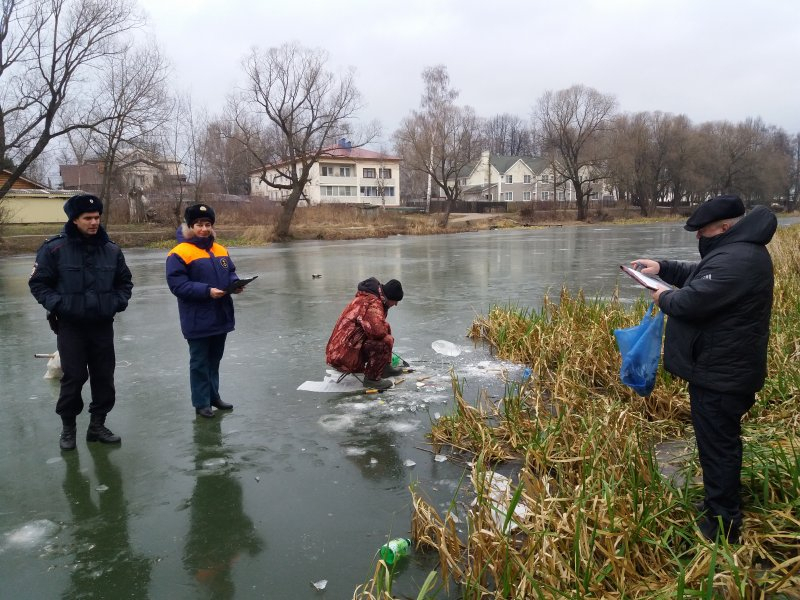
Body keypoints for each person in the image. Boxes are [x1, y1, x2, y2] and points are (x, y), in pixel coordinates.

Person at [632, 194, 777, 543]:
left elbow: (690, 300)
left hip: (722, 376)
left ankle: (722, 525)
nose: (698, 237)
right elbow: (698, 274)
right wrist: (661, 269)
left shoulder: (737, 259)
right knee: (718, 443)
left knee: (718, 447)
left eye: (703, 230)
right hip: (722, 370)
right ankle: (719, 506)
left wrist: (662, 297)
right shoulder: (737, 250)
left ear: (725, 227)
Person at [29, 193, 133, 450]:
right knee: (73, 377)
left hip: (101, 324)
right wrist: (59, 305)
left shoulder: (111, 250)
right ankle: (68, 429)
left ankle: (97, 426)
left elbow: (125, 283)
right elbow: (38, 283)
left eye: (97, 217)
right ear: (74, 219)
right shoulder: (54, 249)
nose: (94, 222)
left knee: (104, 377)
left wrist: (115, 303)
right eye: (88, 218)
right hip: (70, 325)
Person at [166, 204, 242, 418]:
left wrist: (235, 284)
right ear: (190, 226)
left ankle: (213, 396)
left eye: (207, 224)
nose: (204, 229)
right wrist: (207, 291)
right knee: (199, 361)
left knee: (214, 359)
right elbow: (177, 285)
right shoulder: (178, 253)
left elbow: (231, 273)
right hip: (197, 318)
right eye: (199, 224)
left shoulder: (220, 250)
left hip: (221, 314)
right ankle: (201, 403)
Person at [326, 277, 404, 390]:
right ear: (389, 297)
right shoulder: (373, 303)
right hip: (343, 355)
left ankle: (384, 368)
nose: (396, 304)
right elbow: (377, 332)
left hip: (342, 348)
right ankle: (372, 379)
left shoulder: (372, 298)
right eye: (395, 301)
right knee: (384, 341)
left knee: (385, 327)